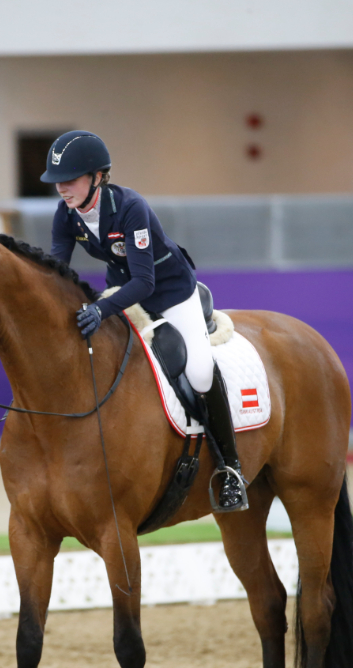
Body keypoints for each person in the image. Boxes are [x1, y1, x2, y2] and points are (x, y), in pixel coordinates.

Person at [42, 130, 246, 512]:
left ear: (98, 177)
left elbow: (144, 281)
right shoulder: (66, 214)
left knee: (200, 372)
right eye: (57, 182)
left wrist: (101, 309)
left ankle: (231, 470)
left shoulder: (130, 207)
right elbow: (57, 269)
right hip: (123, 290)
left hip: (170, 293)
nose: (61, 189)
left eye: (69, 180)